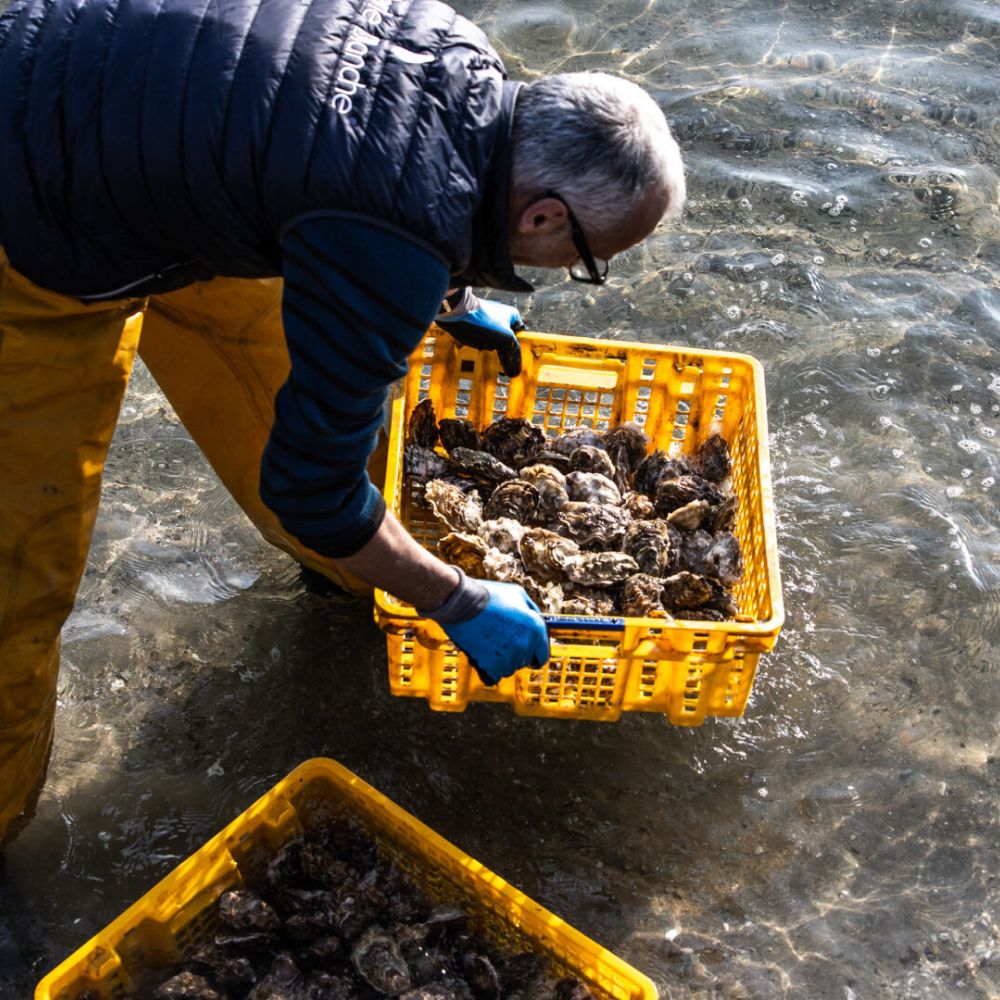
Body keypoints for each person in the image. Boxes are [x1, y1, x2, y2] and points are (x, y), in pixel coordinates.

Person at [0, 0, 686, 844]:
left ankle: (352, 588)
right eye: (587, 261)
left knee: (292, 390)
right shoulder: (393, 241)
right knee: (21, 572)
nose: (571, 270)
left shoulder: (460, 54)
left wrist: (452, 295)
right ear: (542, 216)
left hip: (144, 123)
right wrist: (457, 596)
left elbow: (376, 167)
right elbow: (310, 485)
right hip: (29, 208)